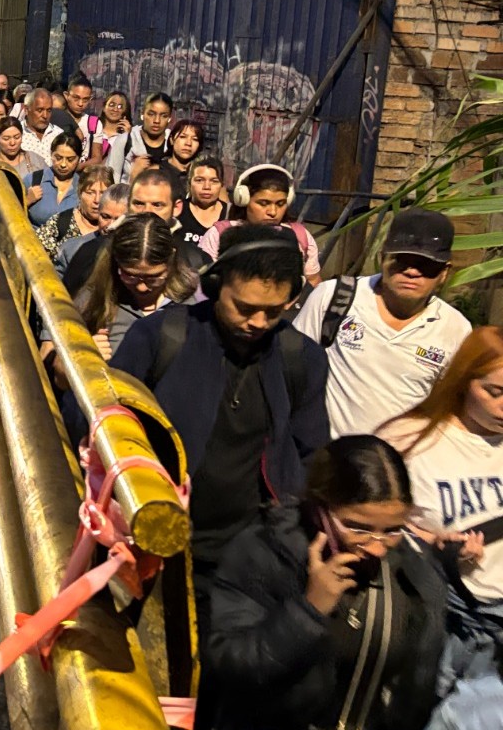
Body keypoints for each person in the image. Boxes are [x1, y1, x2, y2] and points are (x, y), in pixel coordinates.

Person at [202, 435, 446, 730]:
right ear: (321, 509)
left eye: (392, 530)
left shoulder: (413, 575)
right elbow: (230, 665)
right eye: (358, 527)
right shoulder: (265, 552)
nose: (376, 547)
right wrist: (308, 610)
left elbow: (415, 689)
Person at [102, 223, 329, 580]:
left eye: (273, 312)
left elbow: (311, 455)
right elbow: (103, 423)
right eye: (244, 307)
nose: (257, 322)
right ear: (214, 286)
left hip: (253, 561)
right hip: (155, 548)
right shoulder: (159, 337)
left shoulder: (302, 358)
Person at [383, 327, 503, 688]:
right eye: (494, 392)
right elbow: (368, 522)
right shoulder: (407, 439)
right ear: (464, 382)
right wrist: (432, 545)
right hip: (439, 615)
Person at [294, 209, 471, 439]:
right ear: (382, 258)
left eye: (426, 265)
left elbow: (451, 409)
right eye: (401, 260)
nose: (411, 271)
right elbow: (292, 369)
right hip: (329, 462)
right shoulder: (334, 298)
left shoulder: (456, 329)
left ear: (444, 272)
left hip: (402, 468)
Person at [70, 213, 199, 360]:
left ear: (171, 260)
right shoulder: (92, 300)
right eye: (130, 276)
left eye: (153, 278)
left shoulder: (196, 298)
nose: (142, 287)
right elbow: (57, 371)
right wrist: (82, 355)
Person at [63, 168, 210, 295]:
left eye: (157, 205)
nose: (147, 212)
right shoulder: (94, 253)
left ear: (176, 208)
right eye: (138, 204)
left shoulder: (194, 261)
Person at [198, 164, 322, 285]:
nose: (272, 212)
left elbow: (313, 281)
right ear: (243, 199)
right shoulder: (219, 234)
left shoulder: (300, 236)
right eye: (263, 203)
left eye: (280, 204)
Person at [36, 163, 115, 260]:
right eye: (90, 193)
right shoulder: (60, 223)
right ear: (80, 193)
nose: (97, 200)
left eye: (103, 193)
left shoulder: (116, 226)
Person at [106, 92, 172, 178]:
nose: (157, 120)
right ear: (143, 113)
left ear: (169, 118)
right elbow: (111, 178)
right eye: (151, 114)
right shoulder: (126, 140)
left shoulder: (174, 142)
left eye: (163, 116)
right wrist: (134, 174)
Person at [26, 132, 85, 226]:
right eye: (58, 158)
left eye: (70, 160)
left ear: (79, 158)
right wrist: (27, 201)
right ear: (51, 154)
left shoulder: (84, 187)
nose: (63, 164)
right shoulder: (33, 180)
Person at [177, 155, 229, 245]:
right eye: (199, 180)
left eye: (214, 181)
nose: (207, 187)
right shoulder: (178, 211)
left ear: (221, 185)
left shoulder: (230, 214)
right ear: (189, 182)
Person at [50, 75, 104, 161]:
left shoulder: (94, 124)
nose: (80, 103)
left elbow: (97, 158)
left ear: (90, 99)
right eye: (76, 98)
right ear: (66, 95)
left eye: (85, 99)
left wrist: (75, 167)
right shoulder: (55, 118)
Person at [0, 116, 45, 193]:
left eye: (17, 137)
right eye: (6, 138)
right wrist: (28, 200)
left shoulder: (35, 159)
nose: (12, 143)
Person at [156, 119, 203, 197]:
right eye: (183, 137)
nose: (188, 143)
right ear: (171, 139)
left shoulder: (204, 173)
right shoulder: (157, 170)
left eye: (195, 139)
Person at [19, 88, 62, 165]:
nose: (45, 116)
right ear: (26, 109)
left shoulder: (59, 134)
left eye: (49, 110)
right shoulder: (17, 134)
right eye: (39, 110)